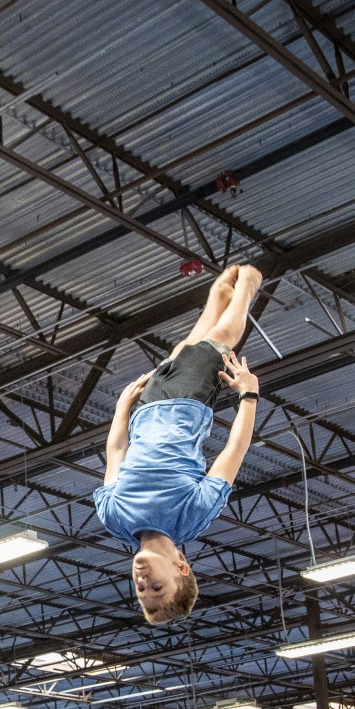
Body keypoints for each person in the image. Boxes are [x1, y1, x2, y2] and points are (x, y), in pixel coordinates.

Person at [96, 264, 263, 623]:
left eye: (140, 591)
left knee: (182, 349)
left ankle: (218, 296)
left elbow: (116, 453)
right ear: (181, 568)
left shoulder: (114, 518)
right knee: (219, 341)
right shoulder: (192, 517)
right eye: (157, 588)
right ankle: (248, 286)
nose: (144, 583)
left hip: (146, 411)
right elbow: (233, 454)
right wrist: (248, 397)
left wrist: (121, 410)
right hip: (187, 407)